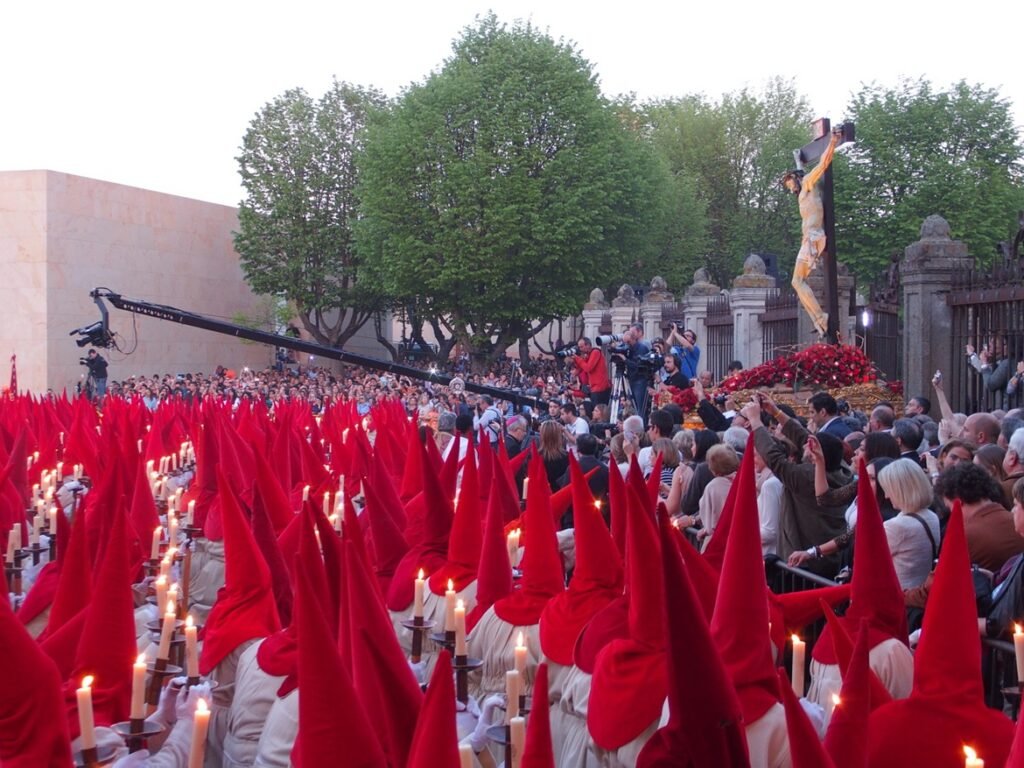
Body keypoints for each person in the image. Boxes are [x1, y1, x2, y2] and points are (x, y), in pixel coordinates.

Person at [781, 126, 844, 336]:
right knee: (796, 282)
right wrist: (798, 162)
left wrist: (833, 141)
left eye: (789, 183)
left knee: (797, 281)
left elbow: (823, 164)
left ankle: (821, 318)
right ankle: (819, 319)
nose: (790, 188)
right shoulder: (802, 191)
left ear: (797, 179)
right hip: (808, 239)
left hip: (814, 238)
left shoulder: (808, 183)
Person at [876, 459, 941, 589]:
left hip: (899, 596)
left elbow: (871, 563)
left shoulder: (896, 526)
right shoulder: (931, 516)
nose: (887, 496)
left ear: (902, 490)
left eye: (889, 489)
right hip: (921, 592)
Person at [571, 337, 611, 407]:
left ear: (588, 345)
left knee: (599, 410)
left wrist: (578, 358)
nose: (580, 349)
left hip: (600, 388)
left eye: (581, 347)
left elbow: (588, 368)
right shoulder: (588, 355)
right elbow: (578, 371)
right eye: (579, 347)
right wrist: (575, 359)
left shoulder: (595, 352)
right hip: (594, 388)